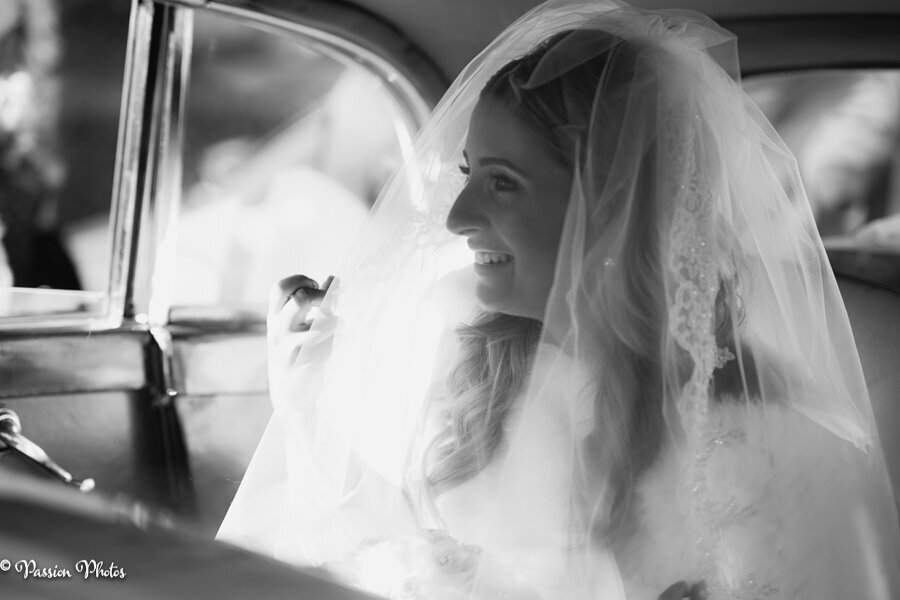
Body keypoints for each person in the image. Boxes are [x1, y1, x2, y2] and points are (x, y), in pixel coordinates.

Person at [218, 1, 900, 598]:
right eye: (467, 175)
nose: (456, 218)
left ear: (607, 208)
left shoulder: (770, 448)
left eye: (502, 182)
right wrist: (306, 404)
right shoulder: (457, 355)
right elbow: (366, 550)